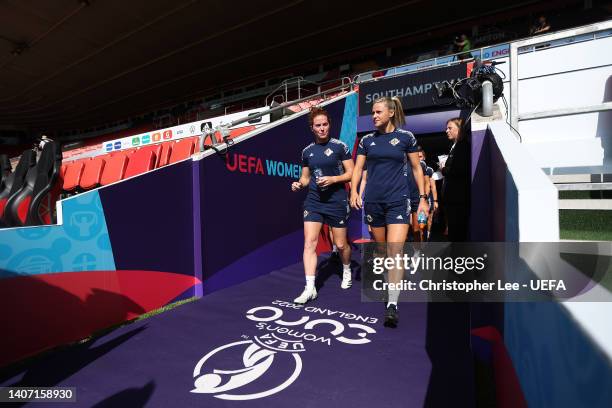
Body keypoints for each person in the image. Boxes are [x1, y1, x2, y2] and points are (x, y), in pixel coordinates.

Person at [350, 96, 428, 328]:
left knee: (395, 252)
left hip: (398, 202)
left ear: (391, 113)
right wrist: (354, 191)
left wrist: (422, 199)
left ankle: (392, 304)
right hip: (374, 203)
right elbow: (357, 168)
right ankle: (389, 284)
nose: (373, 116)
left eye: (378, 112)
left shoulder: (406, 138)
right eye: (372, 112)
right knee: (383, 252)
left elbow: (416, 169)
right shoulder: (366, 141)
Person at [291, 107, 354, 304]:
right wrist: (299, 183)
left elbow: (351, 173)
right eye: (318, 125)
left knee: (341, 244)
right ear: (312, 128)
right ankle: (310, 288)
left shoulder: (340, 147)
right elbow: (305, 178)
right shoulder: (306, 151)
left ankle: (346, 269)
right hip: (314, 201)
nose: (322, 128)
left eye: (325, 124)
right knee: (310, 243)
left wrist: (333, 179)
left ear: (329, 125)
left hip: (336, 201)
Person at [440, 117, 470, 242]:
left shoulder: (462, 147)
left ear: (460, 129)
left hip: (458, 200)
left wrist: (443, 169)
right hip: (453, 200)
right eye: (446, 128)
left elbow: (458, 171)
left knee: (458, 236)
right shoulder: (455, 146)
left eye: (450, 128)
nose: (446, 131)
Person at [418, 149, 438, 241]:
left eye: (420, 157)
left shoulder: (429, 169)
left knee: (427, 219)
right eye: (417, 157)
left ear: (424, 158)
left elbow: (432, 186)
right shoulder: (410, 169)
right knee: (419, 222)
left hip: (426, 198)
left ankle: (428, 237)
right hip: (415, 198)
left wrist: (435, 201)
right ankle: (421, 239)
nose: (419, 159)